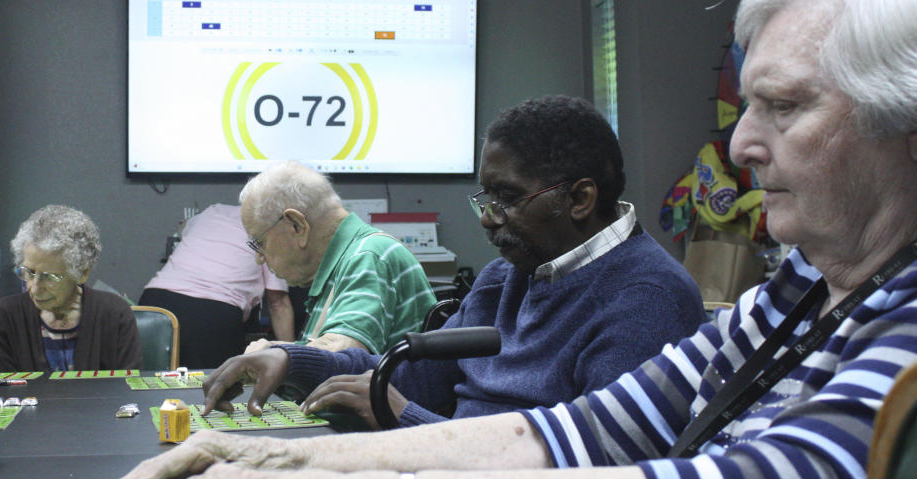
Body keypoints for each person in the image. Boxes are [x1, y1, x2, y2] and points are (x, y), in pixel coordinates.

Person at [88, 0, 917, 479]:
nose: (739, 146)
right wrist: (291, 471)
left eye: (783, 106)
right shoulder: (804, 284)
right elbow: (582, 432)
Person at [202, 96, 705, 424]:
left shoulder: (647, 299)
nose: (488, 220)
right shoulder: (504, 280)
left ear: (579, 199)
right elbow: (405, 378)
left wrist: (405, 419)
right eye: (485, 199)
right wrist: (292, 359)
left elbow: (594, 473)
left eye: (507, 199)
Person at [237, 160, 436, 359]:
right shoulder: (354, 257)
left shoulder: (368, 257)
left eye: (259, 242)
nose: (259, 258)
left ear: (297, 226)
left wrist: (276, 355)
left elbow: (343, 355)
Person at [0, 205, 141, 372]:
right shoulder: (4, 317)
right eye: (29, 273)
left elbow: (127, 388)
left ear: (82, 273)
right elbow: (2, 393)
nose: (35, 288)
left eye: (50, 277)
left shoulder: (115, 314)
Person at [138, 203, 294, 369]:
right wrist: (295, 361)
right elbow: (278, 304)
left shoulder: (214, 210)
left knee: (145, 384)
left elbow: (184, 230)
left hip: (154, 303)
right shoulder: (272, 231)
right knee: (209, 388)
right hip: (212, 313)